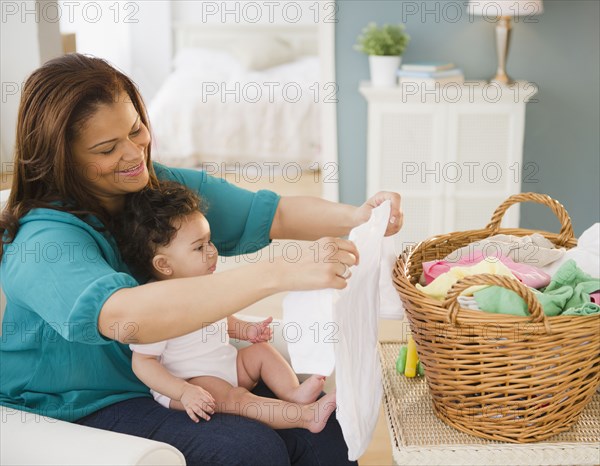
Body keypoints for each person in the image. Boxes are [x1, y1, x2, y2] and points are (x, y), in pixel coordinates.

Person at [0, 53, 402, 465]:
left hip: (170, 378)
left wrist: (359, 216)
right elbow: (125, 316)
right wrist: (276, 274)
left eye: (136, 129)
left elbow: (271, 213)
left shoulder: (154, 189)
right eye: (107, 148)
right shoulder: (43, 241)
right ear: (61, 158)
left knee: (327, 437)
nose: (134, 153)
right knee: (249, 451)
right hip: (77, 405)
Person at [119, 182, 336, 432]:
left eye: (210, 242)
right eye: (199, 247)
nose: (212, 252)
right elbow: (143, 362)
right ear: (164, 264)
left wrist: (246, 331)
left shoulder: (204, 285)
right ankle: (305, 416)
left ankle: (293, 392)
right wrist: (184, 391)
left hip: (227, 365)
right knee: (238, 399)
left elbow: (220, 318)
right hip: (193, 382)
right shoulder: (154, 304)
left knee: (260, 352)